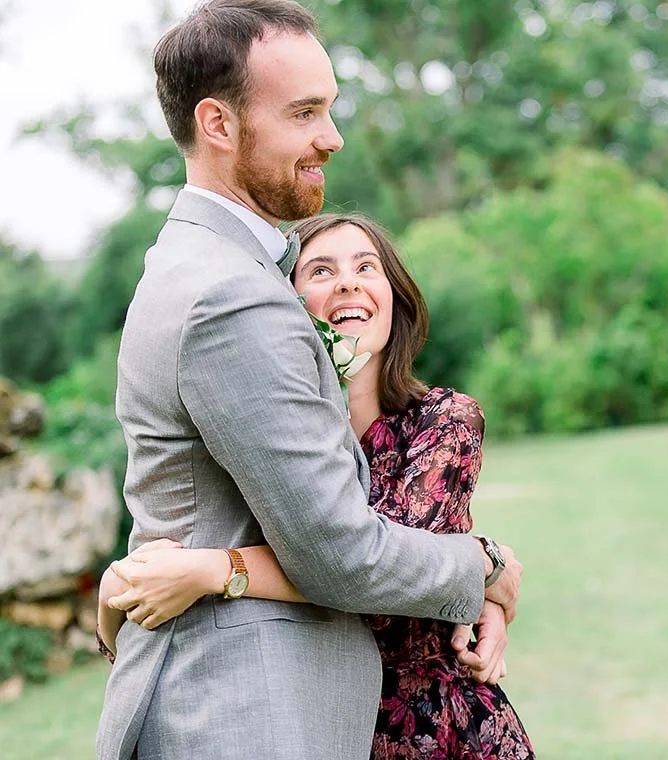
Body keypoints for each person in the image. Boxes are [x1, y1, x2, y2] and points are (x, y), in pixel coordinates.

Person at [95, 3, 521, 759]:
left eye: (329, 109)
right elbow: (338, 552)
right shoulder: (233, 295)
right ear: (219, 124)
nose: (332, 136)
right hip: (244, 714)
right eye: (304, 113)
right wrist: (485, 564)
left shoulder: (198, 265)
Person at [99, 213, 535, 759]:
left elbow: (377, 578)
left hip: (431, 726)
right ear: (284, 307)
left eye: (366, 267)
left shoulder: (443, 421)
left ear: (395, 298)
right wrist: (117, 588)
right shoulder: (272, 441)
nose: (348, 282)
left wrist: (215, 570)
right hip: (305, 718)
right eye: (321, 271)